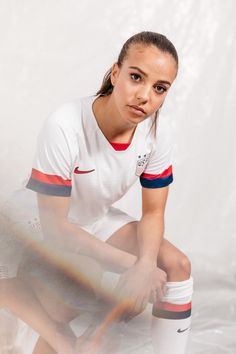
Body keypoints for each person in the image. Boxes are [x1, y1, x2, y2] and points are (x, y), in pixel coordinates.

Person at [19, 31, 193, 354]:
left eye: (159, 89)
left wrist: (146, 264)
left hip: (96, 219)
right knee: (74, 295)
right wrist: (135, 265)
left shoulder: (157, 133)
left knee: (177, 266)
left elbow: (153, 211)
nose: (145, 96)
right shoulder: (65, 125)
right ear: (116, 73)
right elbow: (57, 228)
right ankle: (52, 332)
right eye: (136, 77)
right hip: (42, 228)